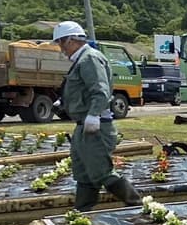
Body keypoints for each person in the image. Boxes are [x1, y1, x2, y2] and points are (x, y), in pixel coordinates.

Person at [53, 21, 141, 211]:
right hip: (83, 125)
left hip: (96, 126)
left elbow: (100, 91)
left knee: (102, 172)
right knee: (83, 173)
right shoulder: (81, 60)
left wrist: (93, 115)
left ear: (71, 40)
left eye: (60, 43)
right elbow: (83, 89)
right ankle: (82, 212)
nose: (61, 48)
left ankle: (138, 205)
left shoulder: (89, 59)